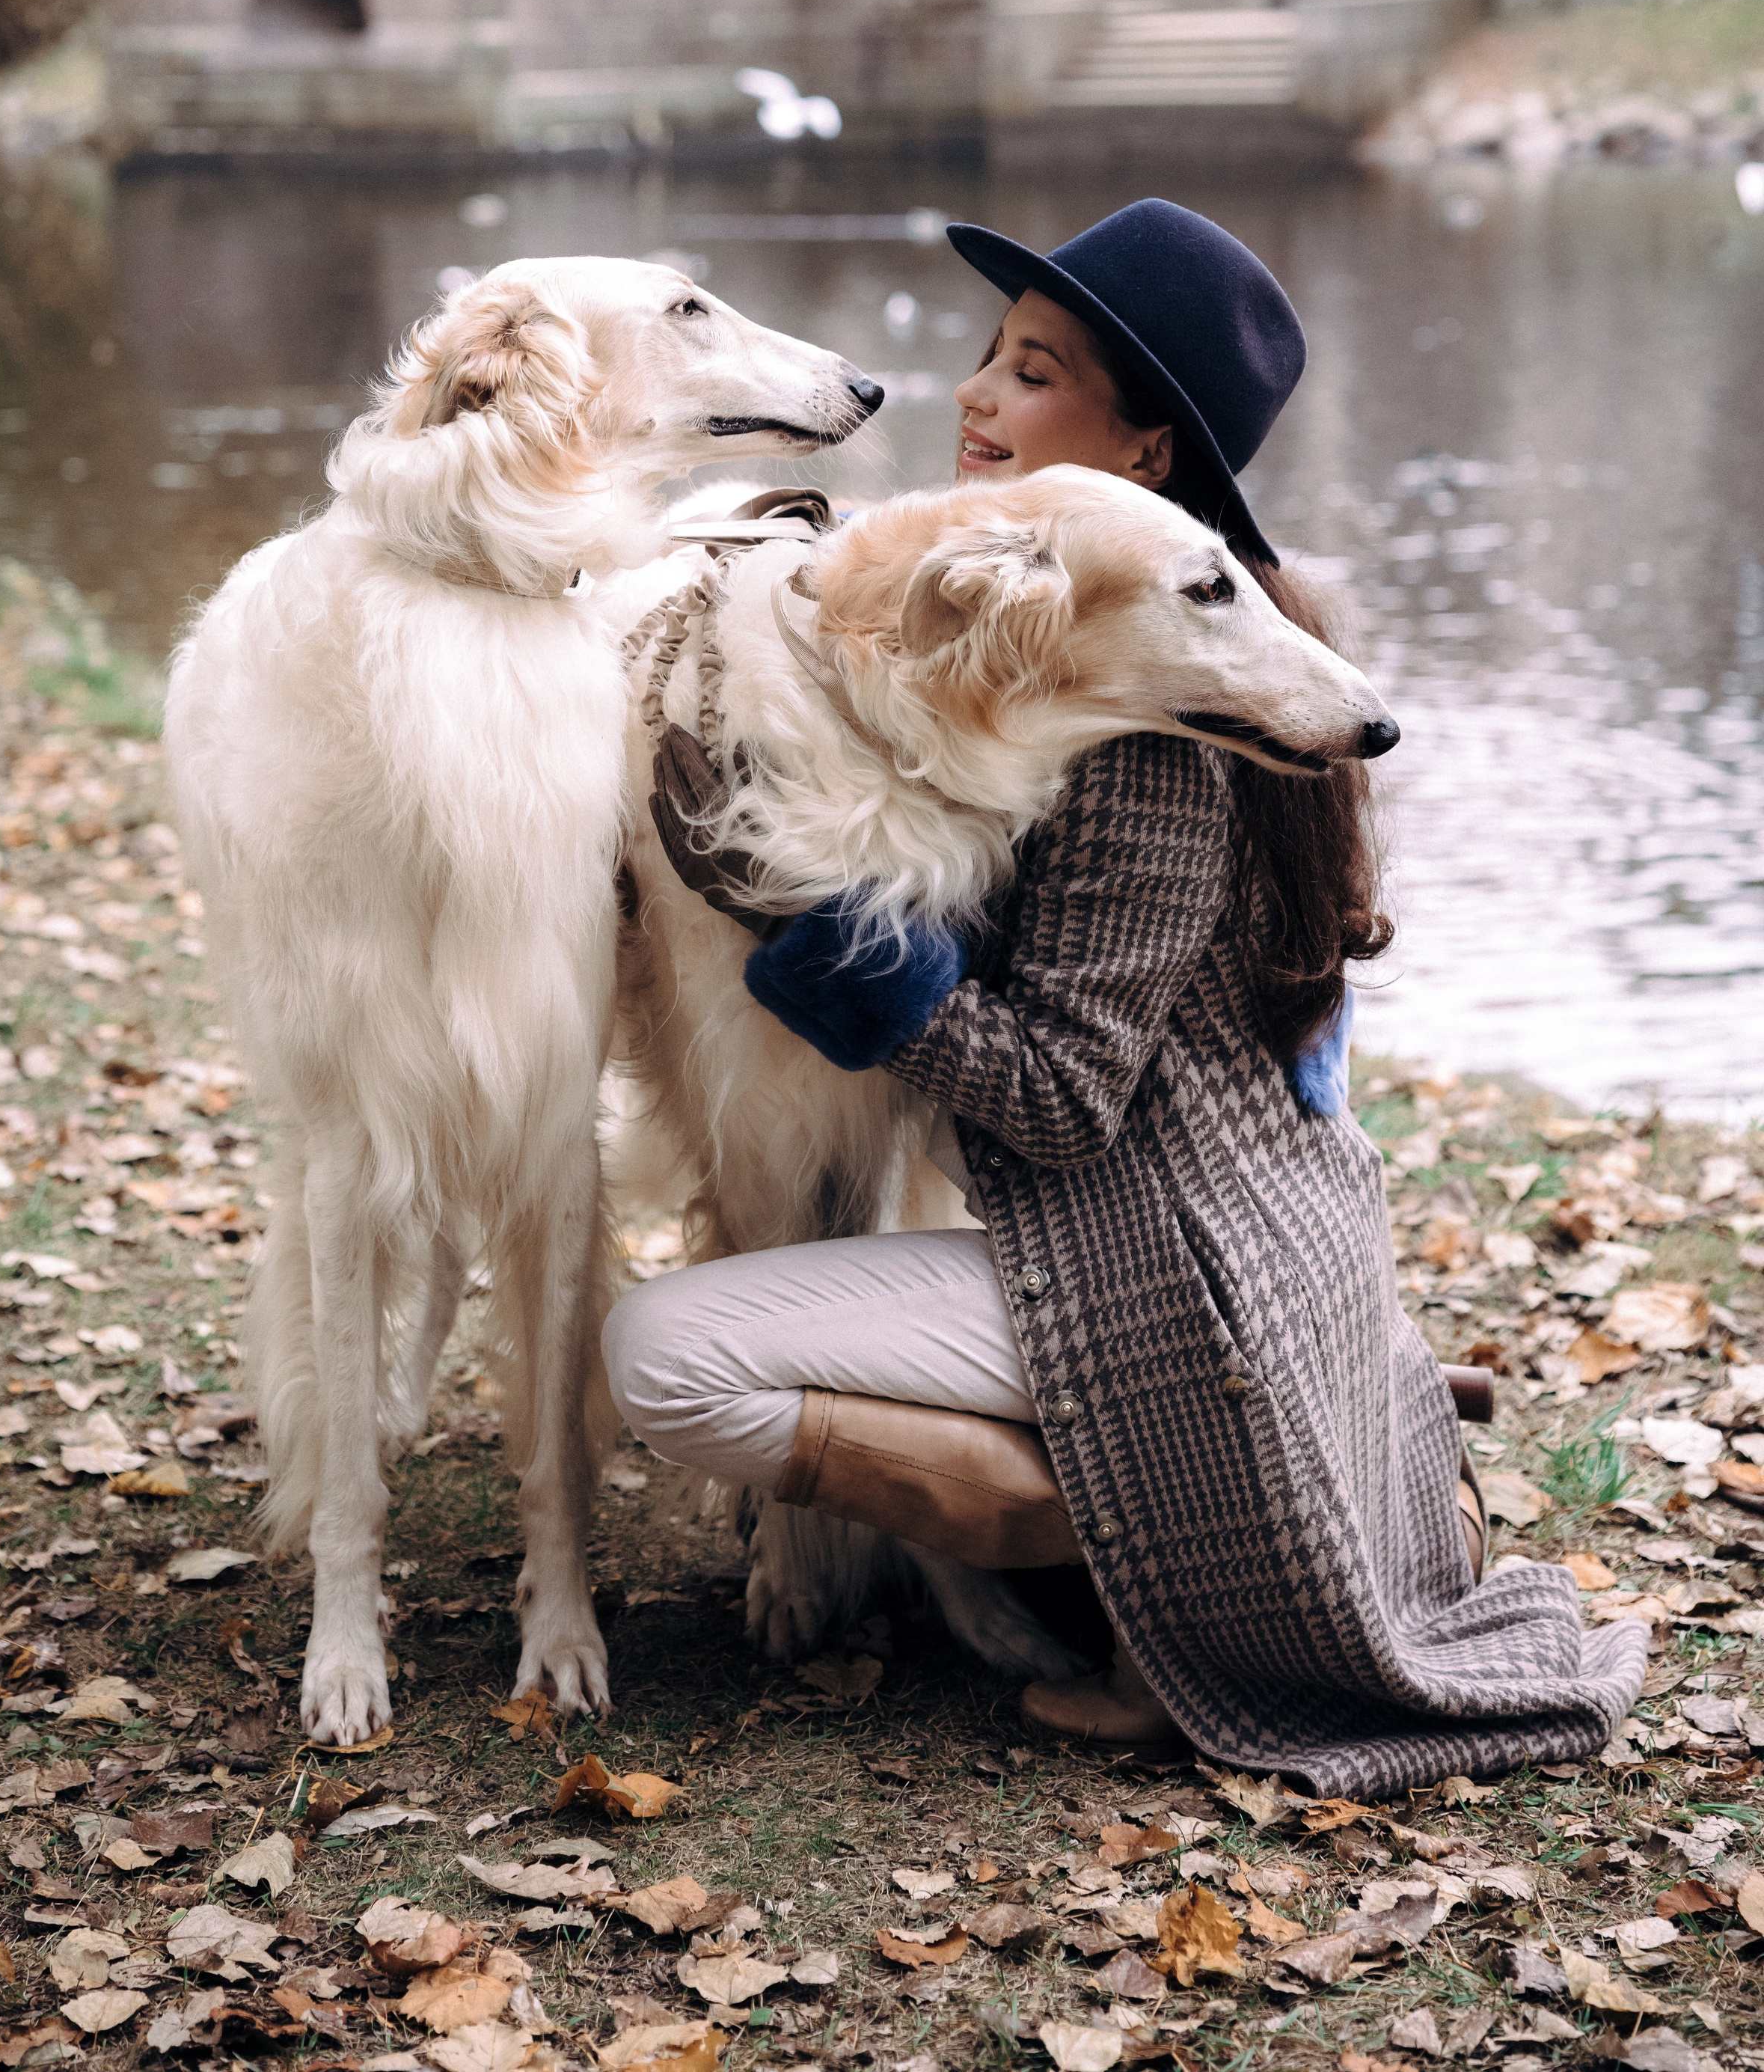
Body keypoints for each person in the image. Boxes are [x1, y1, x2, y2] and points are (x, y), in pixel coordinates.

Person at [602, 201, 1648, 1792]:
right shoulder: (1082, 655)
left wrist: (832, 942)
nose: (971, 398)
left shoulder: (1149, 736)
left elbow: (1062, 1093)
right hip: (1203, 1231)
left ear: (1140, 453)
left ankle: (1135, 1545)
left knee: (666, 1358)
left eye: (1030, 374)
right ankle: (1302, 1447)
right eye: (983, 356)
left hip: (1154, 1266)